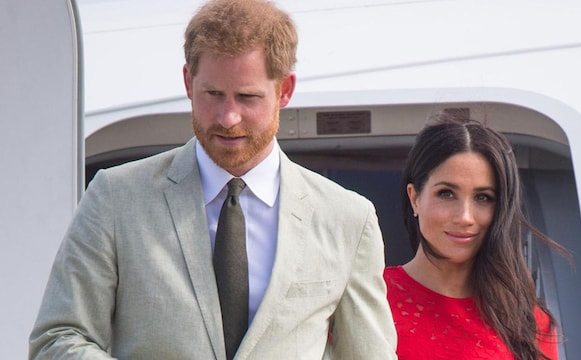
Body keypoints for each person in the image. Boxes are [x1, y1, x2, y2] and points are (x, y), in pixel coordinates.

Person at [29, 0, 397, 358]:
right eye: (213, 94)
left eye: (247, 97)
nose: (228, 117)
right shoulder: (115, 197)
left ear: (285, 90)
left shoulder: (347, 218)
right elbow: (57, 339)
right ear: (189, 82)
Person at [385, 117, 568, 360]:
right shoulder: (369, 299)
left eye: (483, 198)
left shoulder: (527, 321)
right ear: (414, 198)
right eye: (447, 194)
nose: (465, 217)